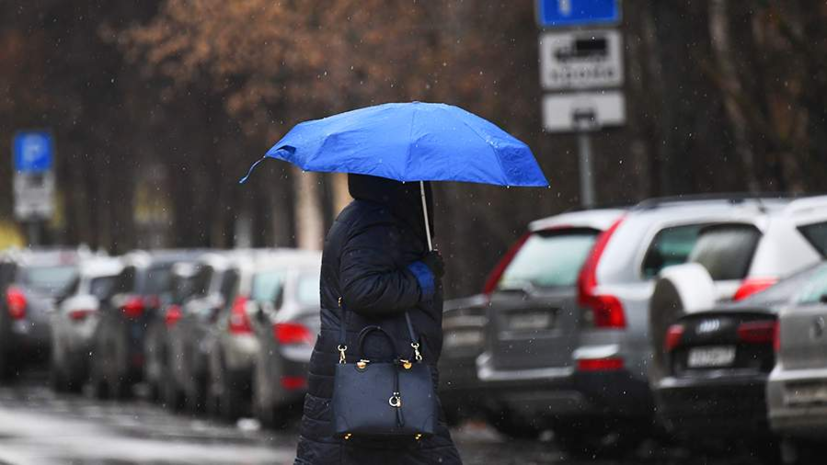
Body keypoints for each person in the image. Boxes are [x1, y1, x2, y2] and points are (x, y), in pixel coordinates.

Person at [294, 174, 462, 465]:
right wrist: (423, 274)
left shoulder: (365, 218)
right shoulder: (377, 225)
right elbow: (364, 290)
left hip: (372, 374)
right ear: (401, 182)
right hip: (382, 375)